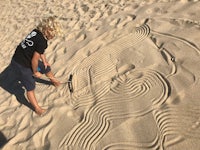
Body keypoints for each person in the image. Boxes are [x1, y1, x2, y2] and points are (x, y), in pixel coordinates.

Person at [11, 16, 61, 115]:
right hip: (21, 63)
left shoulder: (36, 32)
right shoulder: (42, 41)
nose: (54, 36)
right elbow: (34, 59)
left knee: (46, 67)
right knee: (30, 86)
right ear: (47, 29)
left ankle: (55, 82)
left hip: (23, 57)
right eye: (53, 33)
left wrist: (44, 61)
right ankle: (37, 109)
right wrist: (35, 72)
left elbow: (38, 50)